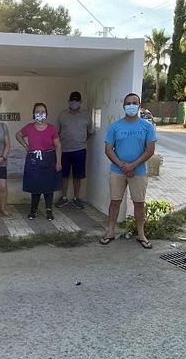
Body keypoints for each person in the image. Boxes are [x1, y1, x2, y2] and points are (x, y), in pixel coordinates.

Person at [100, 93, 157, 249]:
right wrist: (122, 165)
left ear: (139, 105)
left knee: (139, 203)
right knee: (115, 201)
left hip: (138, 172)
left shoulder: (147, 126)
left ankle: (141, 234)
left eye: (134, 103)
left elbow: (150, 150)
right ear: (123, 106)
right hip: (117, 171)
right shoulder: (115, 126)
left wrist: (132, 166)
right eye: (128, 103)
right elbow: (108, 149)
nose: (131, 105)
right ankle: (110, 231)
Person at [16, 102, 62, 220]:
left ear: (46, 114)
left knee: (48, 187)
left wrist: (58, 162)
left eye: (43, 112)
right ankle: (33, 210)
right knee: (35, 186)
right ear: (33, 114)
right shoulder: (29, 127)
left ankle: (49, 210)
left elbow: (58, 145)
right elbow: (18, 135)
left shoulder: (51, 128)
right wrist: (26, 146)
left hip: (49, 160)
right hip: (34, 161)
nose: (40, 114)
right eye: (37, 112)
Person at [56, 91, 94, 210]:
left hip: (80, 150)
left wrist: (81, 141)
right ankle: (63, 197)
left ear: (80, 102)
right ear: (68, 101)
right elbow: (57, 133)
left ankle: (77, 198)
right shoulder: (62, 115)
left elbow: (90, 132)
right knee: (64, 175)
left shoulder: (86, 115)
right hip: (65, 150)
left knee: (78, 176)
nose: (74, 103)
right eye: (72, 100)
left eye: (76, 100)